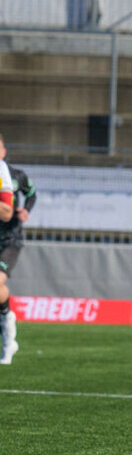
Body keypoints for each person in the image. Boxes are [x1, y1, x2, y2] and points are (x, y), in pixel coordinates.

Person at [0, 134, 27, 365]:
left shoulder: (4, 172)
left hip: (9, 239)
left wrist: (27, 209)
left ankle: (8, 339)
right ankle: (7, 318)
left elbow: (7, 212)